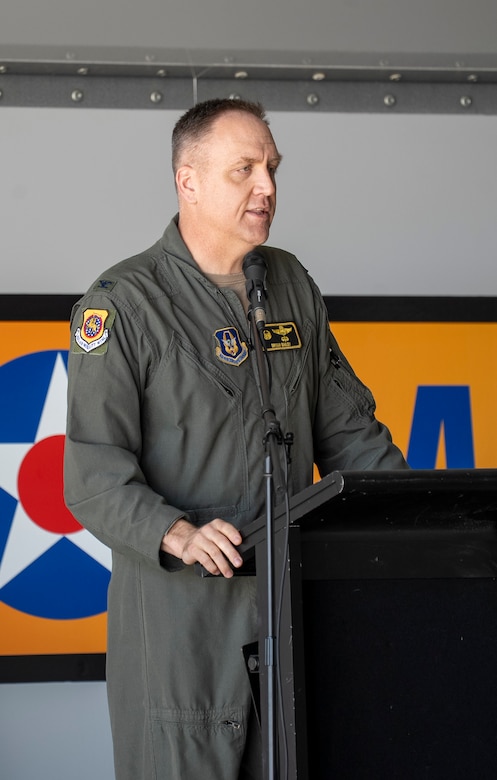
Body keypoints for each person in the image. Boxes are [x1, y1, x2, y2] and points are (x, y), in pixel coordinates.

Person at [64, 97, 408, 780]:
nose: (268, 189)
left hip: (292, 613)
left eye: (273, 169)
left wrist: (413, 520)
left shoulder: (289, 286)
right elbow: (94, 475)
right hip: (183, 627)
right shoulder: (123, 304)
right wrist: (177, 533)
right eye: (243, 170)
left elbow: (349, 435)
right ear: (187, 179)